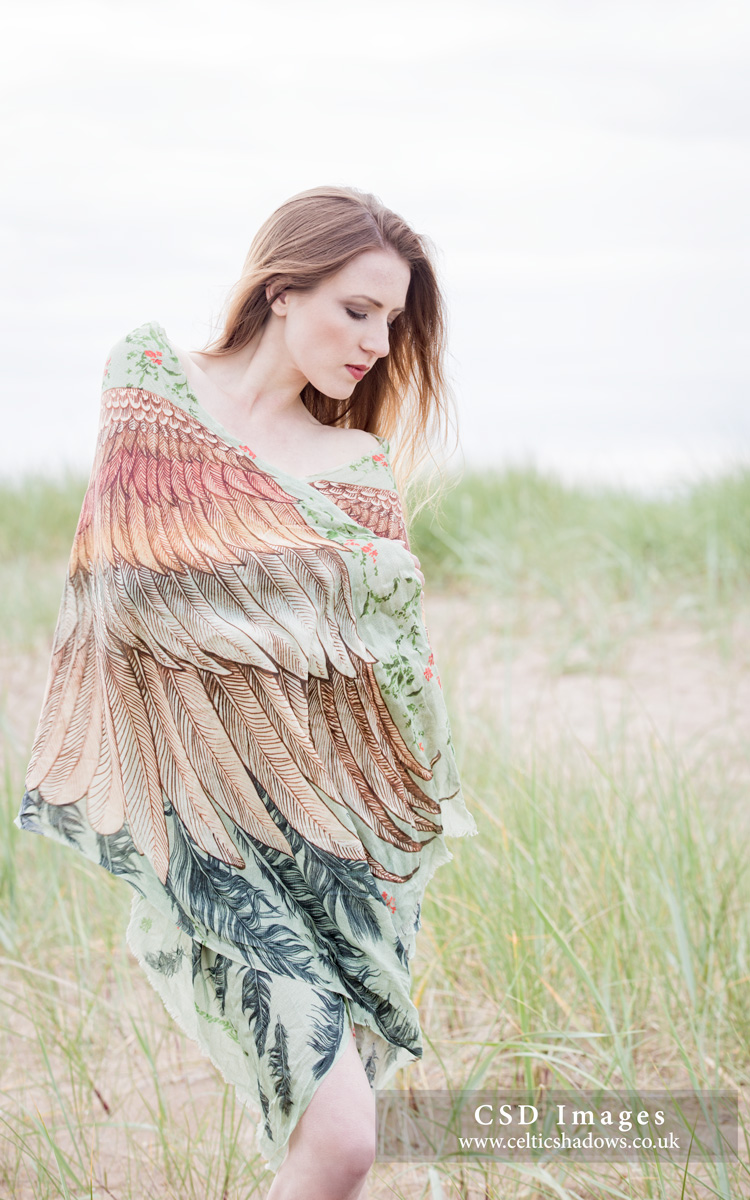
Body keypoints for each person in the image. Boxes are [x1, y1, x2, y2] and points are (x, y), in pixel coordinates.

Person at [16, 185, 478, 1199]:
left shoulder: (357, 468)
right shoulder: (150, 382)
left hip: (337, 836)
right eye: (357, 310)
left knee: (336, 1145)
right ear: (281, 289)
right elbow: (122, 588)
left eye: (393, 324)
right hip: (205, 833)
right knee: (342, 1141)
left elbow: (385, 663)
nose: (375, 344)